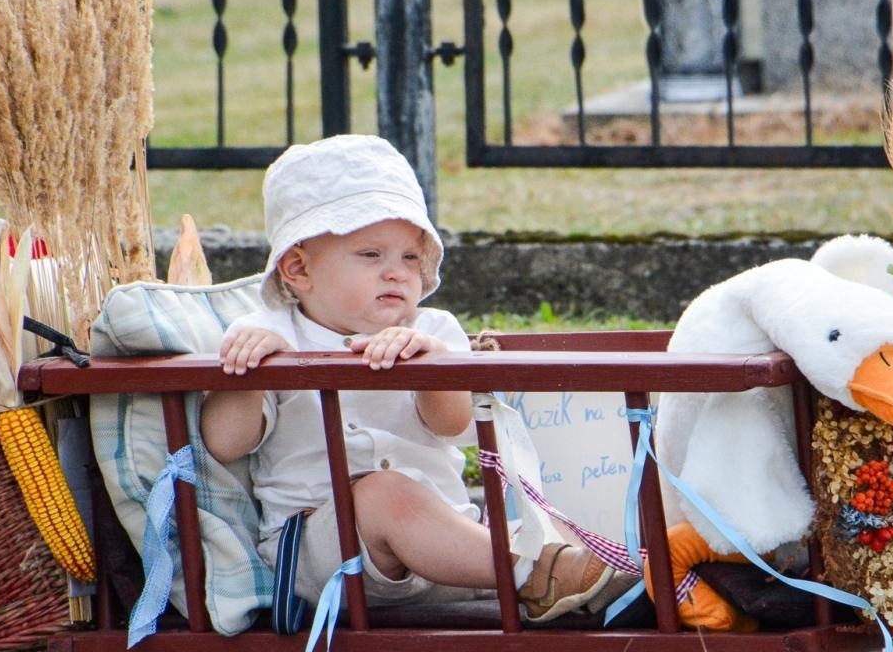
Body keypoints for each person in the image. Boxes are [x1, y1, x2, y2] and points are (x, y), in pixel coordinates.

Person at [200, 134, 616, 622]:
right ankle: (529, 574)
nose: (396, 273)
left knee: (556, 524)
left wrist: (430, 368)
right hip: (325, 557)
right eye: (371, 255)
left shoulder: (433, 331)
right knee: (382, 492)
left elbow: (453, 426)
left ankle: (579, 573)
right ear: (298, 268)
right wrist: (249, 374)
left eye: (410, 257)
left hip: (448, 549)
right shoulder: (269, 335)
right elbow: (225, 443)